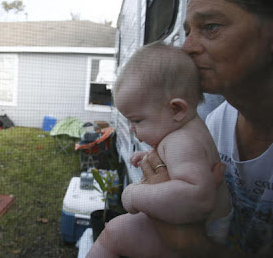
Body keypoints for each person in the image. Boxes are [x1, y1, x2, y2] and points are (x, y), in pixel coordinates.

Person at [91, 0, 273, 257]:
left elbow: (192, 202)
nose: (186, 46)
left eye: (210, 27)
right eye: (188, 31)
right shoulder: (216, 122)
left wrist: (188, 243)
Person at [87, 43, 232, 257]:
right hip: (200, 226)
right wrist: (151, 156)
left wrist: (135, 194)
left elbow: (198, 197)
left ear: (176, 109)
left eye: (137, 120)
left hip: (202, 232)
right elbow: (183, 167)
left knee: (115, 232)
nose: (131, 129)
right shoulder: (185, 132)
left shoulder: (182, 141)